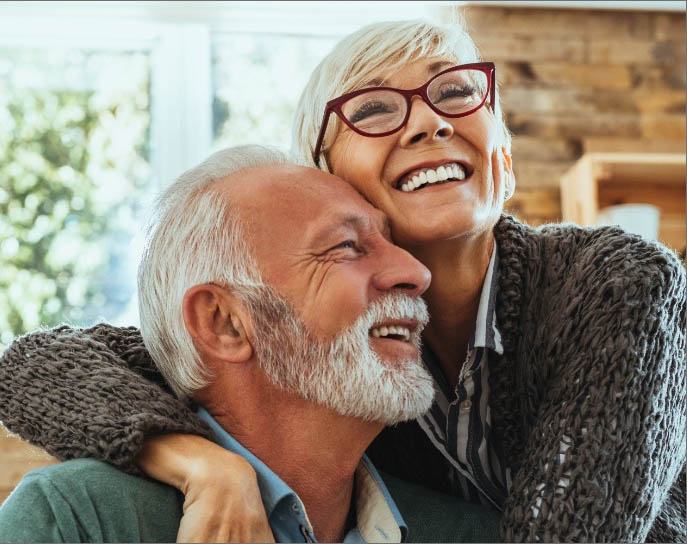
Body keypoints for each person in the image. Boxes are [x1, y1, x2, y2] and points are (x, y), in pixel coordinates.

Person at [1, 17, 685, 543]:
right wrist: (203, 464)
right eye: (375, 110)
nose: (429, 120)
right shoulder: (340, 346)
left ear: (503, 157)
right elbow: (39, 365)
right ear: (324, 176)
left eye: (455, 91)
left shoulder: (617, 285)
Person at [0, 145, 500, 543]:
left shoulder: (473, 535)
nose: (415, 272)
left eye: (395, 243)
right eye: (346, 247)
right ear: (225, 323)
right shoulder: (75, 522)